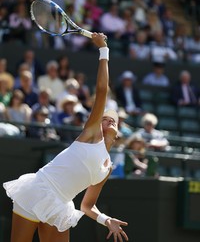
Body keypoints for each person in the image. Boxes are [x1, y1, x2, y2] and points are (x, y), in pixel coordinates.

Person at [3, 33, 128, 242]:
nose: (109, 121)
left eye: (113, 119)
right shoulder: (91, 134)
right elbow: (101, 90)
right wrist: (103, 50)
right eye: (105, 118)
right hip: (37, 190)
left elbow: (87, 206)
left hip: (60, 206)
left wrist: (105, 220)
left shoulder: (107, 168)